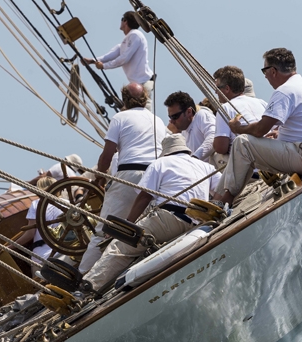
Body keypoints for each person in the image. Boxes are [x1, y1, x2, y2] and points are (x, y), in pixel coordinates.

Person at [83, 134, 221, 290]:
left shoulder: (160, 163)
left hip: (169, 220)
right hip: (200, 221)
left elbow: (144, 197)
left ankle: (89, 286)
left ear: (166, 151)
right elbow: (222, 188)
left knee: (120, 247)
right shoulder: (205, 166)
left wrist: (126, 227)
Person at [217, 48, 302, 206]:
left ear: (273, 71)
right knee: (249, 143)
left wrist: (238, 129)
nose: (264, 76)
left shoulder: (284, 91)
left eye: (264, 70)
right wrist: (279, 132)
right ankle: (221, 196)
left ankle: (225, 200)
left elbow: (260, 130)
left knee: (242, 143)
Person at [78, 83, 166, 274]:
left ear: (124, 100)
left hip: (130, 175)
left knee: (104, 231)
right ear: (144, 98)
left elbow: (107, 155)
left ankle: (82, 276)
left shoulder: (119, 117)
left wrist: (99, 180)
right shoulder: (158, 120)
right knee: (147, 225)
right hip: (158, 176)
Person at [83, 11, 155, 108]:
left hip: (143, 83)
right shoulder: (126, 41)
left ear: (125, 21)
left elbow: (124, 58)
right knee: (132, 113)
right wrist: (92, 61)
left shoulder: (135, 35)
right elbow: (109, 56)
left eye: (122, 19)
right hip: (137, 85)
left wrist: (104, 66)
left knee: (143, 114)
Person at [212, 66, 267, 169]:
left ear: (227, 89)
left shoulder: (225, 108)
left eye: (217, 88)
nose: (215, 92)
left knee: (215, 156)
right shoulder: (261, 103)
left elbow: (221, 148)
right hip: (271, 161)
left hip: (251, 167)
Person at [14, 177, 62, 277]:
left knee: (41, 289)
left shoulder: (36, 204)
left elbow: (30, 234)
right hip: (63, 252)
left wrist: (10, 246)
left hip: (41, 256)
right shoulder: (67, 203)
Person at [164, 91, 215, 163]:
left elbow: (213, 137)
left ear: (189, 112)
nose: (171, 121)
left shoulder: (202, 115)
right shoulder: (184, 131)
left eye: (175, 116)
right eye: (170, 117)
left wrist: (194, 158)